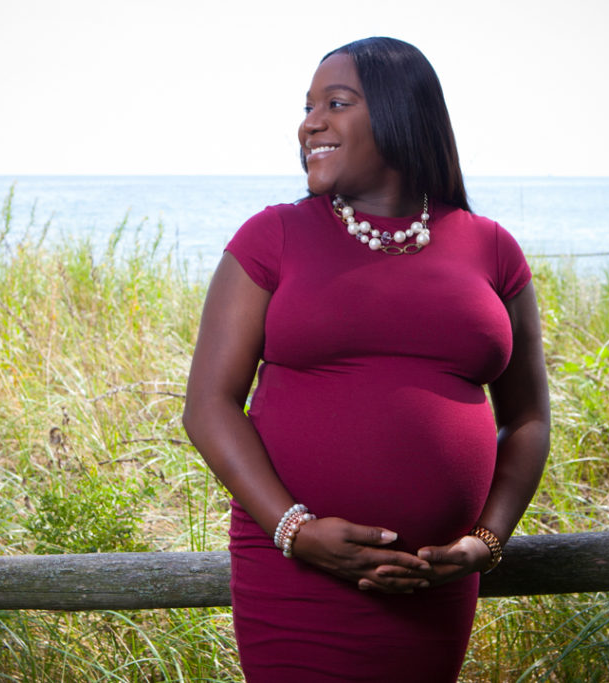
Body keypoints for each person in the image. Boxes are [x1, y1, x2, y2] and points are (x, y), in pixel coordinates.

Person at [182, 36, 550, 683]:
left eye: (336, 102)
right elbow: (208, 405)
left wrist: (485, 541)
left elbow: (527, 420)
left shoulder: (493, 249)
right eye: (308, 106)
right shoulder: (273, 237)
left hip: (431, 584)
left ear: (400, 114)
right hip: (296, 574)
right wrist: (296, 530)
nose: (310, 122)